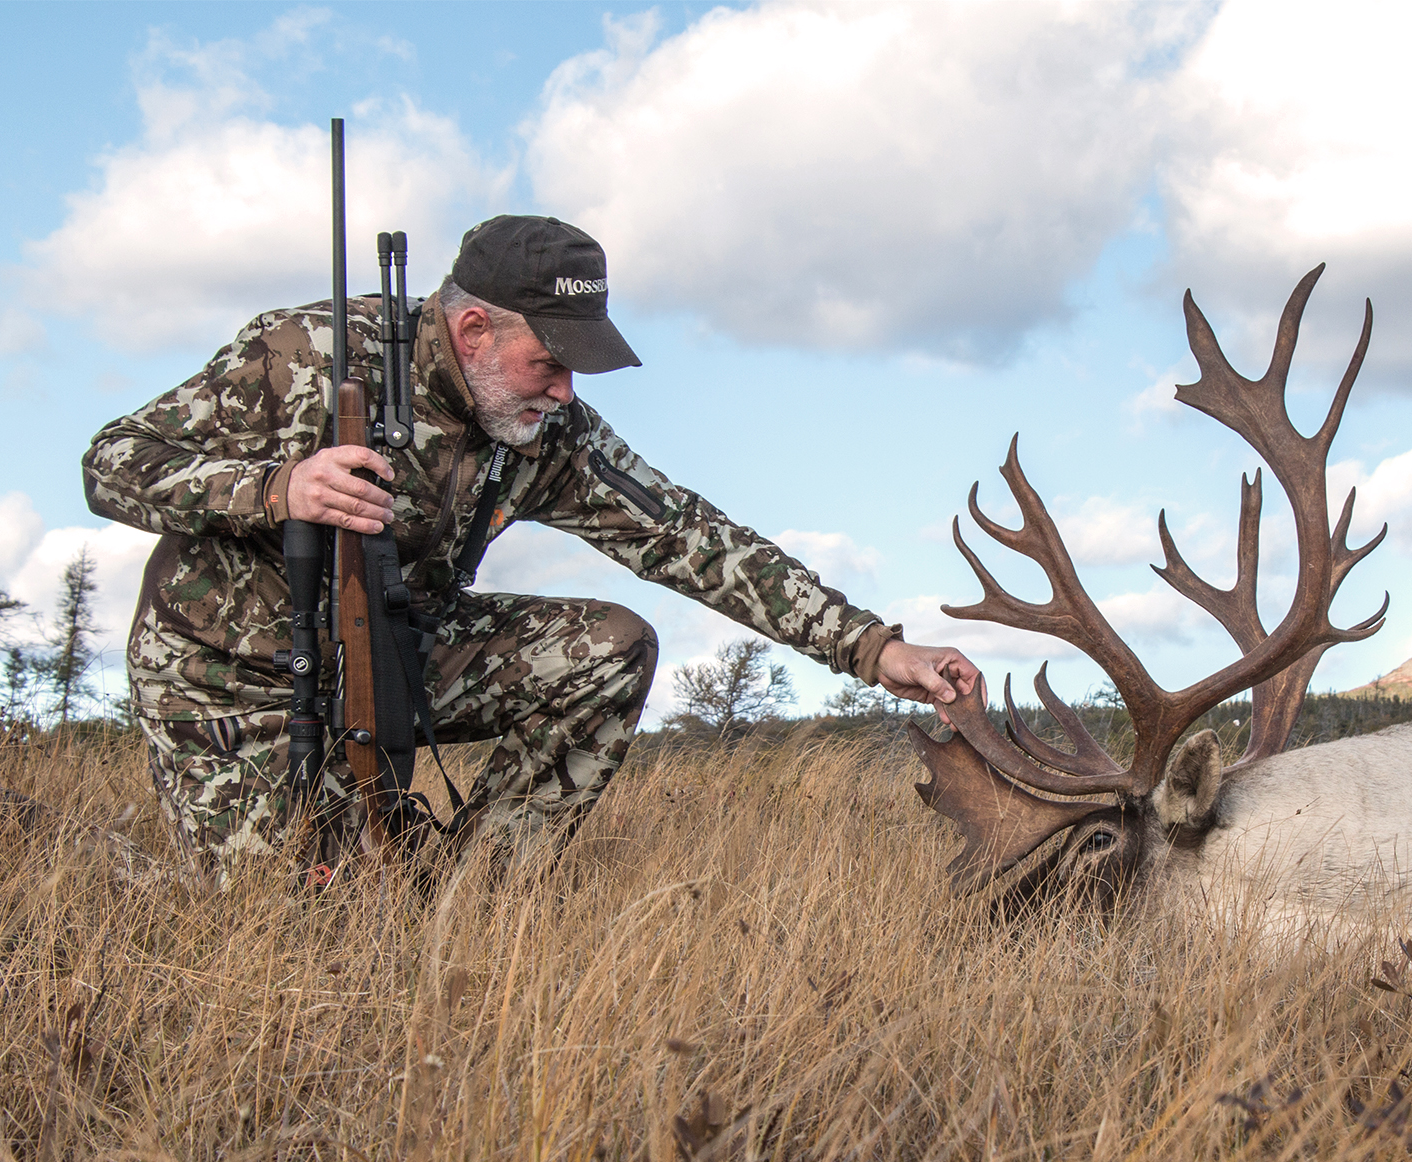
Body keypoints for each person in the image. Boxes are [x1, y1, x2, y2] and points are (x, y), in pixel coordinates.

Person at [83, 214, 979, 887]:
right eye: (550, 361)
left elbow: (691, 539)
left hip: (397, 657)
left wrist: (873, 648)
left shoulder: (549, 432)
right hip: (227, 680)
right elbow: (112, 462)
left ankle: (470, 907)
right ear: (475, 331)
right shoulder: (299, 355)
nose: (565, 388)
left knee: (612, 647)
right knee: (285, 923)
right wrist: (276, 490)